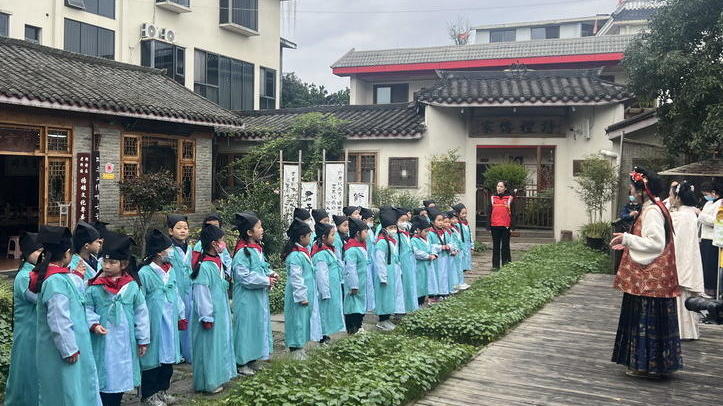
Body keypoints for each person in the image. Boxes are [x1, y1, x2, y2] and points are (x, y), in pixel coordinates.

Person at [610, 167, 682, 378]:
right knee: (653, 323)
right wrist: (627, 240)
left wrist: (627, 239)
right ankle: (652, 366)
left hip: (649, 280)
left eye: (632, 188)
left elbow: (656, 243)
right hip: (655, 280)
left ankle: (644, 366)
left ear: (643, 190)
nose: (630, 191)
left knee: (645, 321)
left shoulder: (652, 212)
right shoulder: (655, 207)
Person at [32, 225, 101, 406]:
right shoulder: (55, 281)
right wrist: (68, 349)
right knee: (66, 393)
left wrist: (77, 275)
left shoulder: (58, 277)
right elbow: (58, 320)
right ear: (67, 253)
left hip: (72, 345)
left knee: (74, 390)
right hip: (64, 350)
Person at [86, 232, 150, 406]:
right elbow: (87, 308)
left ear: (124, 264)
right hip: (103, 340)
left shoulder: (131, 286)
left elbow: (141, 313)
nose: (107, 266)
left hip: (125, 341)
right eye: (104, 262)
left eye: (112, 262)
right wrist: (94, 324)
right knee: (104, 375)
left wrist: (143, 339)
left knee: (121, 375)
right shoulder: (95, 287)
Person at [138, 229, 186, 406]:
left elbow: (176, 293)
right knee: (152, 359)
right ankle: (148, 394)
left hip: (169, 320)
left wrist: (181, 314)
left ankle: (162, 390)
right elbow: (140, 301)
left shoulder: (170, 270)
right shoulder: (145, 273)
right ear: (159, 252)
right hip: (154, 322)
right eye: (169, 248)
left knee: (168, 357)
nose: (171, 251)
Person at [189, 224, 237, 394]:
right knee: (209, 349)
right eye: (222, 240)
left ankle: (220, 376)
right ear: (214, 244)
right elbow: (201, 293)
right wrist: (206, 316)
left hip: (221, 310)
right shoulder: (204, 266)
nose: (224, 244)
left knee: (220, 345)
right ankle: (209, 382)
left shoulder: (218, 261)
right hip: (210, 314)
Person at [231, 212, 278, 376]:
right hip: (246, 298)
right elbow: (243, 277)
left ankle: (252, 358)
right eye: (259, 227)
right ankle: (241, 362)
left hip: (257, 297)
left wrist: (271, 274)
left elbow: (262, 267)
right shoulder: (242, 253)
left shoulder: (257, 250)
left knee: (256, 327)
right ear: (249, 232)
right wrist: (266, 280)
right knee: (245, 329)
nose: (262, 229)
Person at [4, 232, 43, 406]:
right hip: (27, 333)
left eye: (43, 251)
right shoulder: (23, 277)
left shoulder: (36, 272)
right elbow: (38, 299)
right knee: (25, 372)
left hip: (36, 331)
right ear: (27, 253)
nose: (41, 255)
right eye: (38, 251)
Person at [669, 181, 705, 340]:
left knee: (678, 296)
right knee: (687, 297)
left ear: (678, 198)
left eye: (671, 195)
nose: (670, 198)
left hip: (679, 259)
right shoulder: (691, 214)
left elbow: (673, 240)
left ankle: (679, 330)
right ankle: (689, 331)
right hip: (690, 259)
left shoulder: (678, 216)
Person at [283, 218, 321, 360]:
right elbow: (296, 278)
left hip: (305, 294)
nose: (310, 239)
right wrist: (301, 297)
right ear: (301, 237)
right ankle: (295, 349)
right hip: (298, 296)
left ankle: (300, 347)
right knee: (297, 321)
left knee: (303, 320)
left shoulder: (302, 252)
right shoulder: (295, 255)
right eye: (309, 236)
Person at [311, 223, 346, 343]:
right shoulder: (320, 254)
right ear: (323, 237)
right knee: (324, 312)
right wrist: (325, 291)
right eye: (332, 235)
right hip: (325, 290)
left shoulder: (328, 250)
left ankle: (326, 334)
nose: (334, 238)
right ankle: (322, 336)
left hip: (333, 288)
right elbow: (321, 275)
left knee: (329, 311)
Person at [166, 214, 193, 363]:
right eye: (179, 228)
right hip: (175, 288)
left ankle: (188, 351)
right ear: (171, 231)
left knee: (188, 318)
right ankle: (177, 353)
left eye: (185, 228)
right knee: (176, 318)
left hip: (188, 288)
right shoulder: (168, 250)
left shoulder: (190, 248)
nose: (183, 231)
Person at [373, 207, 404, 331]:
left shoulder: (391, 240)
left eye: (394, 227)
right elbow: (380, 261)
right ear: (384, 229)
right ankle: (382, 320)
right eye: (391, 227)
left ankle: (387, 318)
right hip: (385, 273)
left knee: (389, 296)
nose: (394, 230)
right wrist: (383, 276)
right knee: (384, 297)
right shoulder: (381, 242)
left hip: (392, 272)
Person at [342, 218, 369, 334]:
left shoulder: (361, 246)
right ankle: (353, 329)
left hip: (361, 283)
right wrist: (354, 285)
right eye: (365, 232)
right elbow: (351, 269)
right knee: (353, 307)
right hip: (355, 285)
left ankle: (358, 326)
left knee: (359, 306)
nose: (367, 234)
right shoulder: (352, 249)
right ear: (358, 233)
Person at [699, 181, 722, 297]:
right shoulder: (708, 203)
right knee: (705, 264)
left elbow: (716, 221)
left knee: (711, 265)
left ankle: (712, 290)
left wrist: (701, 215)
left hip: (713, 238)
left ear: (713, 192)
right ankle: (705, 288)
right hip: (704, 237)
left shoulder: (720, 203)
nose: (705, 196)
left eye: (706, 194)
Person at [411, 215, 438, 307]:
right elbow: (416, 252)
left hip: (428, 265)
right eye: (425, 231)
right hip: (420, 266)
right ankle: (419, 302)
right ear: (418, 230)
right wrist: (428, 256)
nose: (427, 233)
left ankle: (430, 298)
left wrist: (434, 254)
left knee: (429, 282)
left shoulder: (428, 238)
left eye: (428, 231)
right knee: (420, 284)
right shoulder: (414, 240)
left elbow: (432, 247)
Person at [396, 208, 418, 312]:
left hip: (409, 263)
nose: (404, 223)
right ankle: (402, 308)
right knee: (403, 285)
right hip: (402, 263)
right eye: (402, 220)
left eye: (406, 220)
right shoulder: (396, 235)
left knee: (410, 284)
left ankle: (410, 307)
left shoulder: (406, 233)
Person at [489, 181, 513, 270]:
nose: (499, 188)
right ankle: (495, 266)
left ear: (505, 188)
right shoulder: (492, 198)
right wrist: (488, 226)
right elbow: (489, 212)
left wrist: (512, 226)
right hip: (494, 225)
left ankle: (506, 265)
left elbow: (513, 213)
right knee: (496, 246)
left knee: (505, 246)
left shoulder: (509, 198)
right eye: (498, 186)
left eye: (501, 186)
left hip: (506, 225)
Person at [427, 208, 450, 299]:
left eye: (442, 220)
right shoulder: (430, 233)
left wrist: (449, 246)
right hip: (436, 258)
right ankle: (435, 292)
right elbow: (429, 245)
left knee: (444, 274)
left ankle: (444, 291)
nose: (441, 223)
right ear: (432, 222)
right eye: (439, 220)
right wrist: (440, 247)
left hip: (444, 257)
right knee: (436, 275)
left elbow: (451, 242)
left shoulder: (444, 232)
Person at [360, 207, 377, 313]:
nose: (371, 222)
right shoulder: (363, 233)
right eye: (370, 220)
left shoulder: (370, 231)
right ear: (364, 220)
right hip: (366, 261)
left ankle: (369, 306)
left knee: (370, 285)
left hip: (371, 260)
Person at [453, 203, 472, 290]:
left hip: (466, 246)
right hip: (461, 247)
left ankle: (461, 281)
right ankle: (459, 282)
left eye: (465, 213)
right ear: (457, 214)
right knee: (460, 265)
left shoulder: (465, 222)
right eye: (462, 213)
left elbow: (469, 233)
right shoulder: (457, 224)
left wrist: (471, 244)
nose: (464, 215)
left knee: (464, 264)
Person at [447, 211, 464, 292]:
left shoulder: (456, 227)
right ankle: (455, 284)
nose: (455, 220)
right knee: (455, 268)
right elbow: (453, 241)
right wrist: (455, 249)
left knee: (459, 267)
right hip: (454, 250)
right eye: (452, 219)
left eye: (456, 218)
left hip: (459, 249)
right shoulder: (449, 229)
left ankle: (460, 282)